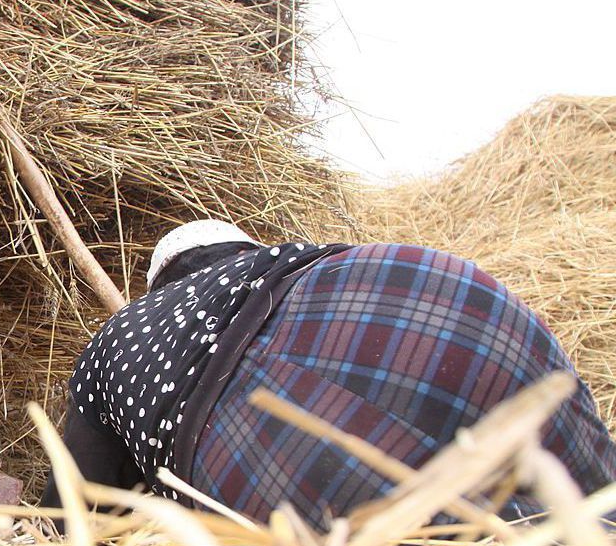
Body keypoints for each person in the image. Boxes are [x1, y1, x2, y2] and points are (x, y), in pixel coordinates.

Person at [41, 220, 616, 530]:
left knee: (448, 542)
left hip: (251, 413)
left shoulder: (117, 339)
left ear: (159, 282)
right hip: (431, 289)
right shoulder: (290, 256)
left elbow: (83, 501)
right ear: (242, 248)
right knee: (590, 502)